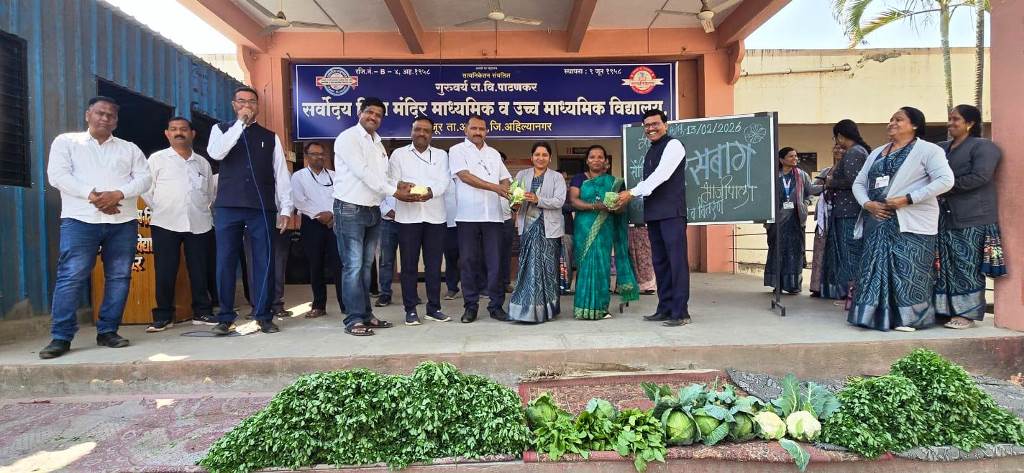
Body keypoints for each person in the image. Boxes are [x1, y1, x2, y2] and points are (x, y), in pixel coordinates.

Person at [39, 96, 151, 359]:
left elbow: (145, 179)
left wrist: (118, 194)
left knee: (119, 277)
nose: (105, 118)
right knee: (72, 276)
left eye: (111, 115)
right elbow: (58, 176)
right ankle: (61, 336)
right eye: (100, 113)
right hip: (80, 221)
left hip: (121, 222)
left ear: (116, 121)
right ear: (88, 114)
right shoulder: (67, 142)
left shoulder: (129, 148)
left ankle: (108, 331)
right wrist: (95, 197)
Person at [848, 106, 954, 332]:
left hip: (911, 221)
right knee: (873, 268)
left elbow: (945, 180)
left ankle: (909, 319)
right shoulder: (877, 152)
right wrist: (867, 204)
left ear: (914, 125)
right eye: (891, 119)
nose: (892, 123)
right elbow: (859, 183)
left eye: (899, 119)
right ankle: (872, 317)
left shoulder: (928, 150)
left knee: (909, 269)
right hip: (877, 219)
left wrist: (908, 199)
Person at [207, 86, 293, 336]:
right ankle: (225, 316)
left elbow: (281, 174)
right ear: (234, 105)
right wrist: (239, 125)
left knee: (264, 261)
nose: (247, 105)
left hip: (261, 207)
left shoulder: (270, 137)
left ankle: (263, 315)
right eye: (242, 101)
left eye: (252, 102)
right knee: (225, 260)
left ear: (258, 106)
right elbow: (216, 153)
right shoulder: (220, 129)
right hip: (228, 206)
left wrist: (286, 208)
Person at [333, 97, 415, 336]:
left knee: (366, 267)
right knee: (353, 266)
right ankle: (353, 319)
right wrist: (393, 191)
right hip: (350, 208)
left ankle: (366, 315)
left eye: (378, 115)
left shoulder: (378, 144)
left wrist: (399, 185)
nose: (373, 117)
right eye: (369, 112)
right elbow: (363, 173)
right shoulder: (348, 138)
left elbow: (382, 177)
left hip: (372, 209)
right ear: (359, 112)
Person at [616, 109, 691, 327]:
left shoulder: (674, 145)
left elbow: (662, 175)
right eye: (647, 125)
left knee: (676, 263)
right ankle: (665, 308)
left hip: (672, 214)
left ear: (665, 125)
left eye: (655, 124)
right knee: (660, 263)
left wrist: (631, 193)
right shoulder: (651, 150)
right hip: (654, 214)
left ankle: (680, 312)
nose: (651, 128)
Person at [142, 116, 215, 332]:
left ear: (192, 134)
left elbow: (210, 193)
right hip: (166, 222)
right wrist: (162, 207)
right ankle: (163, 316)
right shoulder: (157, 159)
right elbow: (146, 189)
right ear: (167, 134)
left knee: (200, 270)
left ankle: (202, 312)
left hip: (199, 222)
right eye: (173, 129)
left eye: (183, 129)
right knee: (165, 270)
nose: (178, 133)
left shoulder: (202, 163)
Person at [935, 104, 1003, 329]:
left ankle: (967, 314)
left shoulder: (984, 147)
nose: (950, 123)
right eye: (950, 118)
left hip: (973, 217)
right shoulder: (942, 148)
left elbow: (980, 176)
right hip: (944, 217)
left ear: (970, 123)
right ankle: (945, 310)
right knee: (945, 266)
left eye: (956, 119)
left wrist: (943, 187)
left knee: (967, 264)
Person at [388, 116, 452, 325]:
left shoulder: (441, 155)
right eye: (418, 129)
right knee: (409, 266)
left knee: (434, 266)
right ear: (411, 131)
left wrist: (431, 192)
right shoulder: (399, 154)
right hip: (408, 218)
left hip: (435, 217)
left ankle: (434, 308)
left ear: (432, 134)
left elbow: (445, 181)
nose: (421, 133)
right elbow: (391, 180)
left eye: (426, 130)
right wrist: (403, 187)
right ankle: (410, 310)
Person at [450, 114, 512, 323]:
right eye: (474, 128)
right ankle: (470, 306)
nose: (478, 132)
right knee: (468, 262)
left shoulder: (493, 153)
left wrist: (509, 191)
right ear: (465, 129)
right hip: (468, 216)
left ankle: (496, 306)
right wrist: (495, 187)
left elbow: (505, 178)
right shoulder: (457, 150)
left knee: (495, 263)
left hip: (493, 216)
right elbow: (464, 176)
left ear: (487, 131)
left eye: (482, 129)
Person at [570, 145, 639, 320]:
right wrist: (597, 206)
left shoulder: (615, 183)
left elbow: (622, 208)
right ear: (587, 161)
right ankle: (582, 309)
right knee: (585, 266)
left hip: (605, 228)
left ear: (606, 161)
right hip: (584, 228)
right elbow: (574, 201)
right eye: (592, 157)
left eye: (600, 157)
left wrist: (615, 206)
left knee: (602, 265)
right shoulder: (578, 179)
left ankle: (600, 308)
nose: (596, 160)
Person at [507, 142, 566, 323]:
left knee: (548, 269)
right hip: (528, 227)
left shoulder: (556, 177)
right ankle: (525, 309)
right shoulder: (522, 175)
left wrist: (537, 199)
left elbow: (559, 201)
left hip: (549, 229)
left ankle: (548, 310)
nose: (541, 158)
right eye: (537, 154)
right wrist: (515, 203)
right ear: (532, 157)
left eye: (544, 155)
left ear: (550, 158)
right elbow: (513, 197)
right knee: (528, 266)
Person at [290, 141, 345, 319]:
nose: (319, 157)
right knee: (316, 265)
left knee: (339, 264)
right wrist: (319, 215)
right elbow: (299, 201)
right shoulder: (298, 177)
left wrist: (332, 215)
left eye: (321, 154)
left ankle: (346, 305)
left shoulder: (335, 176)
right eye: (314, 154)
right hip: (312, 223)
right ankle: (319, 305)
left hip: (334, 223)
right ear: (306, 156)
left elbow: (341, 197)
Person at [820, 120, 870, 300]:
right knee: (848, 251)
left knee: (849, 252)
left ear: (840, 136)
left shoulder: (854, 153)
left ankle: (851, 294)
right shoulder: (859, 151)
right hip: (848, 209)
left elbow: (854, 182)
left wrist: (831, 182)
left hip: (849, 211)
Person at [764, 148, 814, 294]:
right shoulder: (773, 176)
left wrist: (805, 204)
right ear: (781, 160)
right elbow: (765, 196)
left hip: (795, 220)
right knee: (777, 250)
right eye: (791, 156)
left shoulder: (802, 175)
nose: (795, 158)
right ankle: (777, 284)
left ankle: (793, 285)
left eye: (796, 156)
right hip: (777, 220)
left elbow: (810, 193)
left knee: (794, 251)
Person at [375, 195, 399, 307]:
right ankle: (385, 293)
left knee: (409, 259)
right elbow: (377, 196)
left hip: (409, 222)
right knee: (385, 260)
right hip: (387, 222)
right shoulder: (384, 180)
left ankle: (411, 294)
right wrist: (389, 212)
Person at [499, 151, 516, 294]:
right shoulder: (485, 179)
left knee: (506, 254)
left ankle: (505, 282)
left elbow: (516, 201)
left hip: (506, 221)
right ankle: (487, 285)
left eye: (501, 161)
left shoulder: (510, 181)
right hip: (490, 222)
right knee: (487, 254)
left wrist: (513, 214)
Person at [443, 174, 461, 300]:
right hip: (449, 222)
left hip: (468, 221)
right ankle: (452, 287)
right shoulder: (443, 176)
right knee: (451, 256)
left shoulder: (466, 176)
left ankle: (479, 286)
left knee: (472, 255)